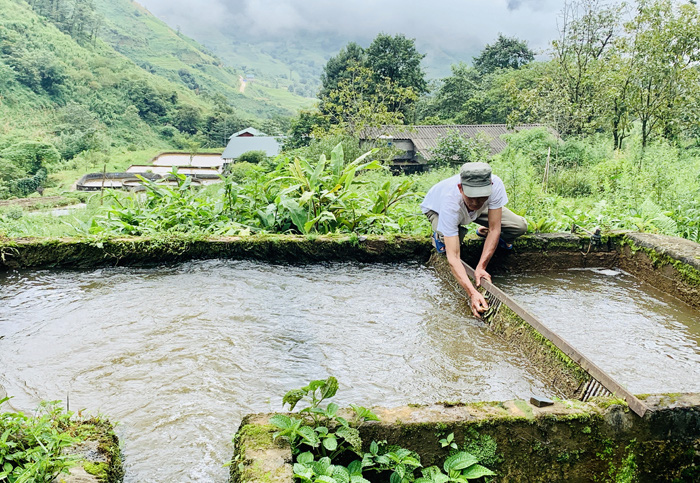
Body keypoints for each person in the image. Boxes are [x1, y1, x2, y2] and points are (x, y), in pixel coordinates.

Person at [421, 162, 527, 318]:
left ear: (490, 186)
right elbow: (454, 258)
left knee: (519, 226)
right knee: (449, 242)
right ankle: (440, 235)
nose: (476, 203)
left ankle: (483, 232)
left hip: (474, 210)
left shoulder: (495, 185)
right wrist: (472, 292)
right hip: (437, 210)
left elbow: (495, 228)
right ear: (460, 188)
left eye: (482, 197)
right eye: (471, 197)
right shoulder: (450, 202)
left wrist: (481, 267)